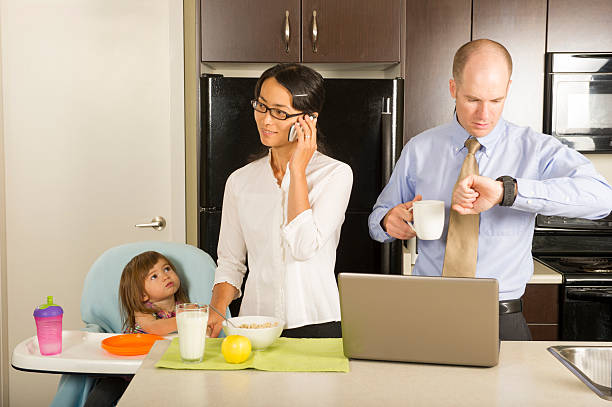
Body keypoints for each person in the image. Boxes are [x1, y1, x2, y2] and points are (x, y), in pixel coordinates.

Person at [368, 39, 612, 340]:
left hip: (501, 318)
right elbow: (378, 218)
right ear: (453, 88)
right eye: (472, 99)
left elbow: (602, 198)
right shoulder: (420, 148)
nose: (484, 114)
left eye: (496, 100)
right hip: (428, 311)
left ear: (508, 89)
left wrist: (507, 193)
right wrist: (387, 220)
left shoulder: (536, 149)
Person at [207, 63, 353, 339]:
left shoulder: (335, 175)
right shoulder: (240, 181)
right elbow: (230, 261)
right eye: (261, 106)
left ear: (308, 119)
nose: (266, 120)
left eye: (279, 112)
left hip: (318, 322)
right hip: (255, 324)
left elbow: (303, 246)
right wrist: (215, 310)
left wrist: (297, 171)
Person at [84, 251, 189, 407]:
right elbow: (154, 328)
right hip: (124, 373)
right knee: (99, 398)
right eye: (154, 276)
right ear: (142, 295)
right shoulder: (143, 311)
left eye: (166, 269)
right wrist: (189, 320)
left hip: (156, 371)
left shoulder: (184, 307)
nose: (165, 276)